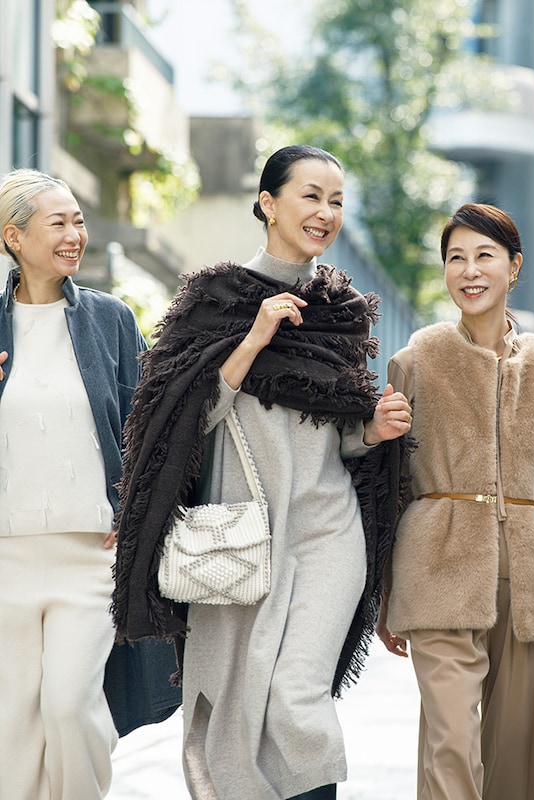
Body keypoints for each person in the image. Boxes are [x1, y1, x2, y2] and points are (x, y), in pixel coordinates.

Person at [112, 144, 413, 800]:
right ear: (268, 203)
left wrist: (373, 430)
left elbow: (339, 439)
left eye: (336, 201)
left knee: (296, 697)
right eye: (311, 196)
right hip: (236, 535)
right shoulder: (214, 300)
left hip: (326, 532)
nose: (325, 212)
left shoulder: (343, 312)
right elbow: (177, 420)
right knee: (230, 705)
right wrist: (251, 339)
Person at [376, 202, 534, 800]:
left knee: (518, 760)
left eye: (484, 256)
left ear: (514, 267)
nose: (469, 271)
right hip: (438, 573)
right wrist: (384, 591)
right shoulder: (414, 361)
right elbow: (388, 487)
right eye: (455, 258)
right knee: (451, 743)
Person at [0, 169, 148, 799]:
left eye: (78, 220)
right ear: (14, 236)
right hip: (6, 556)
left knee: (70, 708)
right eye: (57, 222)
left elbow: (150, 423)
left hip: (91, 552)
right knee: (13, 726)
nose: (74, 234)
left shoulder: (110, 321)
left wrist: (138, 511)